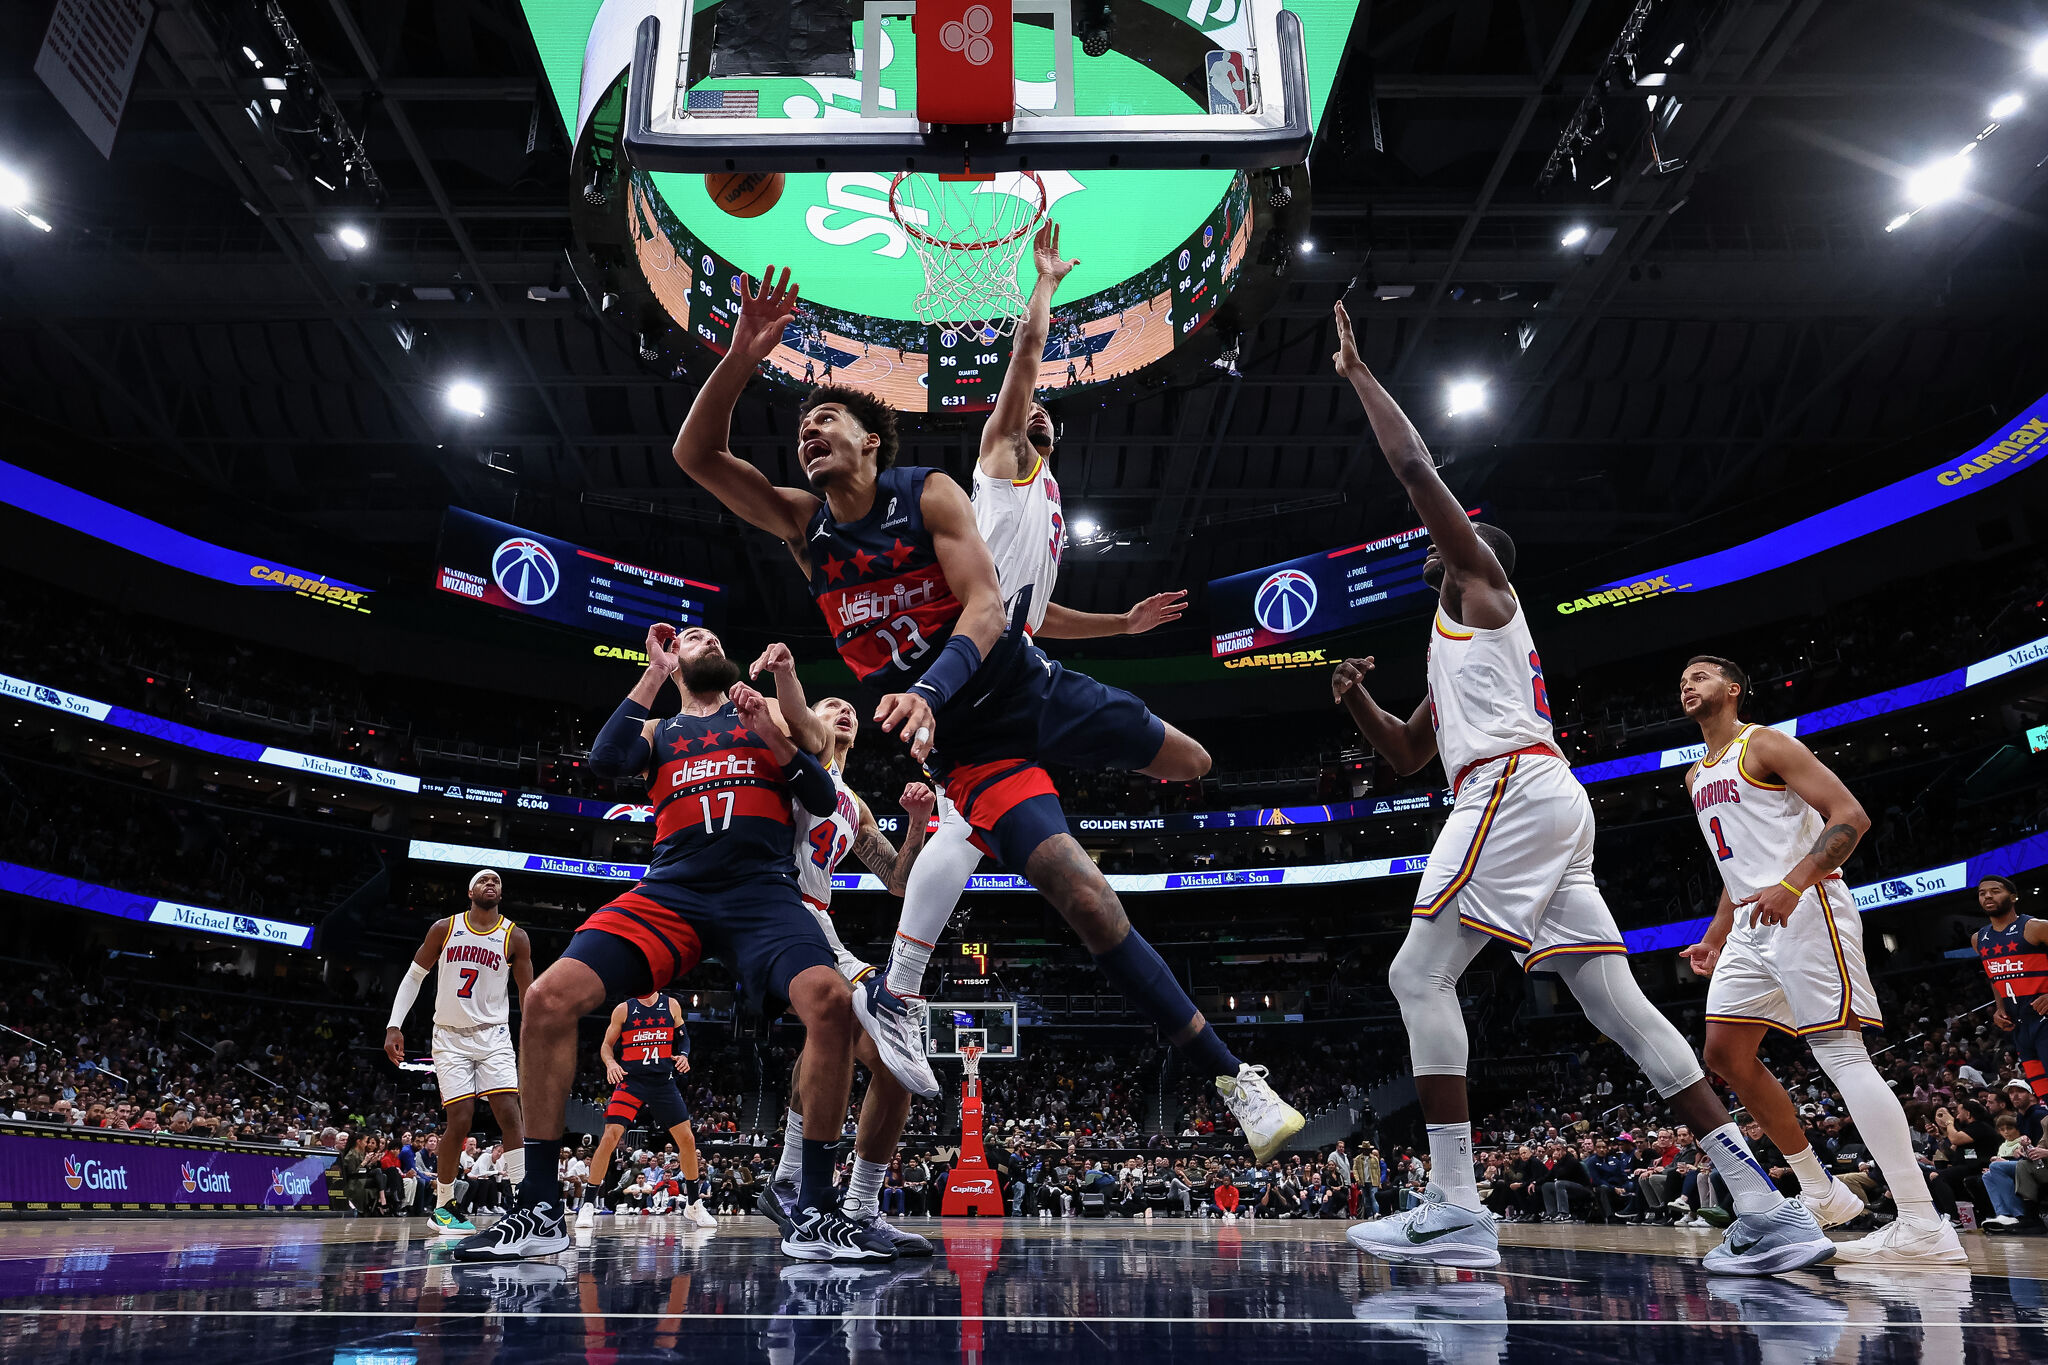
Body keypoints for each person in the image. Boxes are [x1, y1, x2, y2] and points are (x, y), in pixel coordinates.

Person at [669, 256, 1302, 1162]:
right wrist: (741, 354)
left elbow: (988, 609)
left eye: (827, 420)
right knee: (1083, 896)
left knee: (1193, 761)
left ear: (872, 440)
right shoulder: (804, 525)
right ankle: (1232, 1075)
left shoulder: (928, 492)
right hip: (974, 746)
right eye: (802, 425)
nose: (809, 432)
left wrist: (930, 686)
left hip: (1031, 683)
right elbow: (696, 455)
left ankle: (911, 969)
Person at [1324, 300, 1829, 1276]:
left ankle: (1454, 1201)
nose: (1433, 541)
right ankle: (1766, 1208)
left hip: (1510, 795)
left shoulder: (1482, 591)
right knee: (1620, 1010)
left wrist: (1356, 375)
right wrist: (1354, 702)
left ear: (1474, 557)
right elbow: (1402, 759)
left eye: (1449, 538)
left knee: (1415, 975)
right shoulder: (1449, 649)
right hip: (1532, 797)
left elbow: (1415, 470)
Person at [859, 226, 1187, 1099]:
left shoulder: (1045, 498)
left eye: (1044, 413)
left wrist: (1122, 623)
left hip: (1017, 661)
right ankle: (895, 990)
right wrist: (1041, 285)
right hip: (968, 665)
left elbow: (1037, 615)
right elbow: (1028, 355)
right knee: (970, 825)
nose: (1032, 410)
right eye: (1025, 404)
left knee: (972, 829)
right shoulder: (1000, 464)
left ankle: (895, 992)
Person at [452, 626, 879, 1264]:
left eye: (712, 635)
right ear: (674, 659)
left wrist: (769, 731)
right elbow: (605, 759)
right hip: (671, 890)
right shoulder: (659, 734)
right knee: (545, 998)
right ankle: (539, 1208)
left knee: (830, 1002)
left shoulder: (763, 718)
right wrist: (653, 673)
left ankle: (815, 1211)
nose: (704, 637)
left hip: (760, 890)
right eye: (690, 638)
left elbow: (821, 794)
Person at [1676, 655, 1962, 1264]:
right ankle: (1820, 1190)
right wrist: (1715, 934)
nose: (1687, 685)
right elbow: (1736, 867)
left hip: (1807, 910)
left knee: (1839, 1054)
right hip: (1751, 922)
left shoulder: (1768, 744)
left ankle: (1923, 1223)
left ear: (1733, 688)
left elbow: (1851, 817)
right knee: (1724, 1054)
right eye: (1682, 681)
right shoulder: (1696, 777)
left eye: (1700, 677)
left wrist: (1796, 884)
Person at [748, 651, 937, 1257]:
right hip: (777, 914)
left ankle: (850, 1203)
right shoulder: (788, 760)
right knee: (846, 1033)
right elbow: (787, 716)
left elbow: (899, 881)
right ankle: (806, 1190)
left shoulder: (852, 803)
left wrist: (915, 826)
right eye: (832, 705)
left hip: (824, 928)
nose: (844, 708)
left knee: (896, 1062)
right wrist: (788, 685)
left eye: (849, 706)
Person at [383, 869, 533, 1235]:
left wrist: (534, 1038)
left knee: (510, 1115)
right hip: (449, 1036)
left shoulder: (515, 936)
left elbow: (529, 995)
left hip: (494, 1035)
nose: (490, 884)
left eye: (496, 881)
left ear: (502, 892)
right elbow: (414, 976)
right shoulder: (444, 928)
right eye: (483, 880)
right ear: (470, 891)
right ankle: (444, 1206)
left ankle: (522, 1199)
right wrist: (393, 1024)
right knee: (461, 1118)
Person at [574, 988, 718, 1231]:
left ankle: (693, 1204)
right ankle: (588, 1204)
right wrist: (610, 1063)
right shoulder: (624, 1009)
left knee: (687, 1139)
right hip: (631, 1081)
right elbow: (607, 1045)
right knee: (609, 1137)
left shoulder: (671, 1005)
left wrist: (683, 1055)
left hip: (663, 1081)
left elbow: (684, 1038)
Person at [1976, 877, 2048, 1102]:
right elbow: (1993, 976)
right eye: (1982, 893)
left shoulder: (2036, 927)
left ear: (2013, 897)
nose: (1987, 896)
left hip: (2044, 1019)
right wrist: (1999, 1008)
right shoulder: (1979, 939)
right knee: (2044, 1092)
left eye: (1995, 891)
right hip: (2019, 1026)